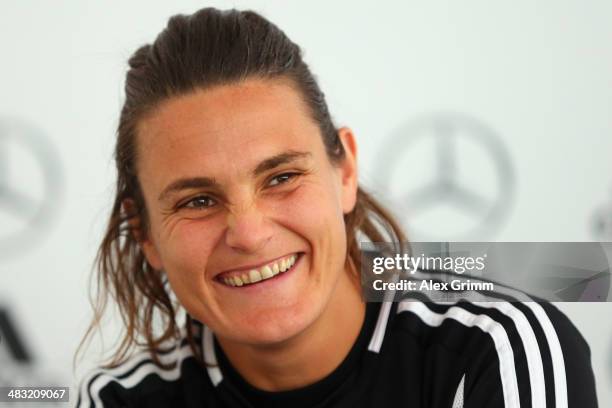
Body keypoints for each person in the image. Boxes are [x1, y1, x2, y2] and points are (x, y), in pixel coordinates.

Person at [75, 7, 598, 407]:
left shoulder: (501, 347)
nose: (250, 233)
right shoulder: (118, 399)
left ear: (344, 170)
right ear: (144, 233)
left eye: (280, 177)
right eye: (199, 200)